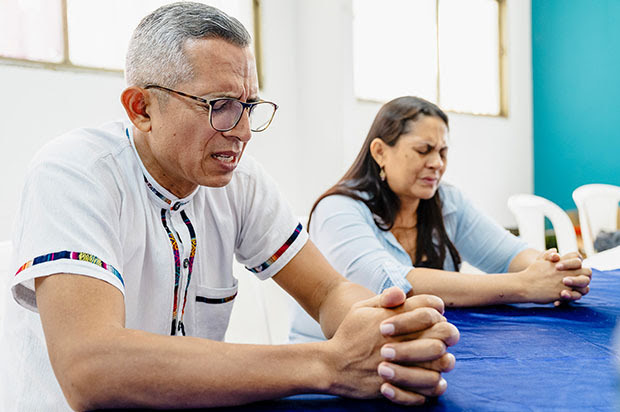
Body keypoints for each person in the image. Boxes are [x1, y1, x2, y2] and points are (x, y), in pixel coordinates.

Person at [0, 4, 460, 411]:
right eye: (220, 105)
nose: (241, 130)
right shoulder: (75, 173)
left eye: (249, 105)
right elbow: (91, 368)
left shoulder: (240, 183)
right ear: (141, 108)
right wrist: (327, 364)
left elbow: (327, 292)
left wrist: (385, 332)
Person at [290, 96, 592, 343]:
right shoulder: (338, 210)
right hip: (333, 365)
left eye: (443, 152)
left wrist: (556, 270)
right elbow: (393, 284)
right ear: (380, 152)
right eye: (424, 150)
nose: (437, 163)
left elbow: (509, 254)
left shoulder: (445, 200)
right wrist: (525, 285)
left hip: (416, 348)